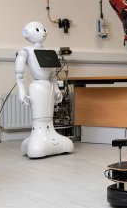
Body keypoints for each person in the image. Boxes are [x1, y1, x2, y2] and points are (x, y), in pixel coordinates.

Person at [15, 21, 74, 158]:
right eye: (38, 29)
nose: (43, 32)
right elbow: (19, 73)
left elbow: (53, 75)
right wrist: (21, 91)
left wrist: (57, 90)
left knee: (50, 118)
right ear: (27, 33)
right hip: (37, 87)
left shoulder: (48, 52)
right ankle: (38, 135)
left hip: (48, 85)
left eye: (44, 29)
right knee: (36, 146)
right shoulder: (26, 51)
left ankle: (50, 133)